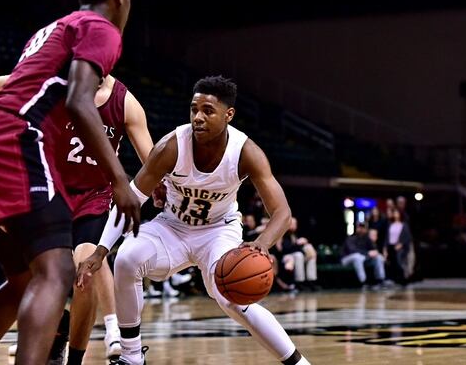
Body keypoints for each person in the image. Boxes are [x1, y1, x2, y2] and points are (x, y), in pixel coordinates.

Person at [0, 0, 140, 365]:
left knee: (23, 282)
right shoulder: (101, 28)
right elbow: (79, 100)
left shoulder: (53, 29)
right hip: (15, 137)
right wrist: (120, 181)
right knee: (58, 271)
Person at [0, 67, 153, 362]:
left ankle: (81, 355)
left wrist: (173, 188)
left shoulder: (124, 102)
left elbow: (152, 160)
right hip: (49, 190)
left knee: (86, 272)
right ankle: (48, 332)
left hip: (93, 196)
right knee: (36, 277)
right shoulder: (54, 84)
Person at [77, 76, 310, 365]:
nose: (198, 117)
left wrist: (261, 244)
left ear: (229, 114)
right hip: (172, 227)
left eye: (208, 111)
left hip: (218, 231)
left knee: (233, 298)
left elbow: (282, 212)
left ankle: (299, 363)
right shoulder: (171, 146)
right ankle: (131, 356)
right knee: (126, 258)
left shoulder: (246, 152)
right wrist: (101, 250)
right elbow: (133, 199)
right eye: (194, 109)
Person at [385, 208, 413, 286]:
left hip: (400, 246)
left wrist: (401, 244)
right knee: (392, 263)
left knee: (400, 262)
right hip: (391, 246)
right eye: (394, 213)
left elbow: (408, 237)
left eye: (397, 213)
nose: (395, 214)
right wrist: (385, 248)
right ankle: (394, 280)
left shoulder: (404, 225)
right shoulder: (390, 224)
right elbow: (387, 237)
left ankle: (403, 280)